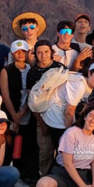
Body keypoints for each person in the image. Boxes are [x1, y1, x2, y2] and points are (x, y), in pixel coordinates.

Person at [41, 62, 94, 151]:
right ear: (89, 73)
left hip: (60, 114)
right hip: (56, 116)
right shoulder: (79, 85)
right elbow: (69, 113)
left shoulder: (83, 80)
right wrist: (69, 134)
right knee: (64, 151)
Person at [0, 39, 37, 185]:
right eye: (17, 51)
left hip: (28, 112)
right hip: (10, 113)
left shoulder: (32, 69)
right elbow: (5, 95)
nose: (20, 54)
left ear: (28, 52)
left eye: (23, 51)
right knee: (10, 144)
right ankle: (9, 176)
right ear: (12, 53)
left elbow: (32, 94)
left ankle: (26, 174)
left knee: (27, 144)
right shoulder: (6, 71)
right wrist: (15, 116)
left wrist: (22, 112)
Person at [27, 40, 64, 176]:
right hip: (41, 115)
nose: (43, 55)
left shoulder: (59, 68)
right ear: (35, 54)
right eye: (39, 52)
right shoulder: (33, 73)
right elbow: (32, 100)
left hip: (59, 115)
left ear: (51, 53)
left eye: (46, 52)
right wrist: (41, 123)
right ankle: (45, 176)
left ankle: (60, 178)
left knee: (61, 149)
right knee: (45, 151)